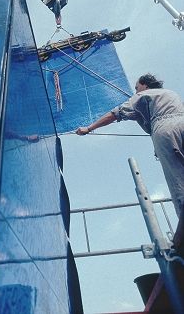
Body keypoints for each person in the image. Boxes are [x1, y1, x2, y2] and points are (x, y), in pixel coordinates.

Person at [76, 73, 184, 255]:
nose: (135, 90)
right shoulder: (171, 94)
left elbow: (115, 114)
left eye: (137, 87)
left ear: (145, 85)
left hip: (165, 130)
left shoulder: (142, 96)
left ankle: (181, 238)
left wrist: (89, 128)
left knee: (179, 183)